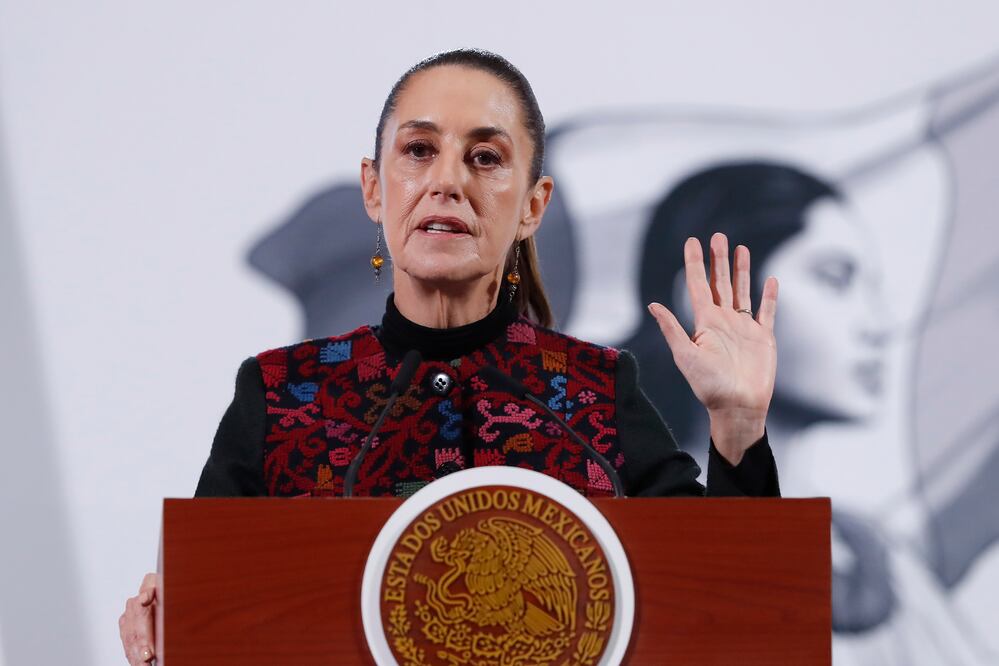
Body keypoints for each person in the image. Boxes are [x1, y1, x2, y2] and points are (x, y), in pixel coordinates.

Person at [118, 49, 781, 665]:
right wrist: (168, 633)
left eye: (485, 158)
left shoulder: (596, 392)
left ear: (532, 205)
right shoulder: (282, 393)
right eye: (418, 150)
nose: (447, 181)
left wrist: (738, 425)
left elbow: (728, 611)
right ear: (375, 190)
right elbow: (209, 620)